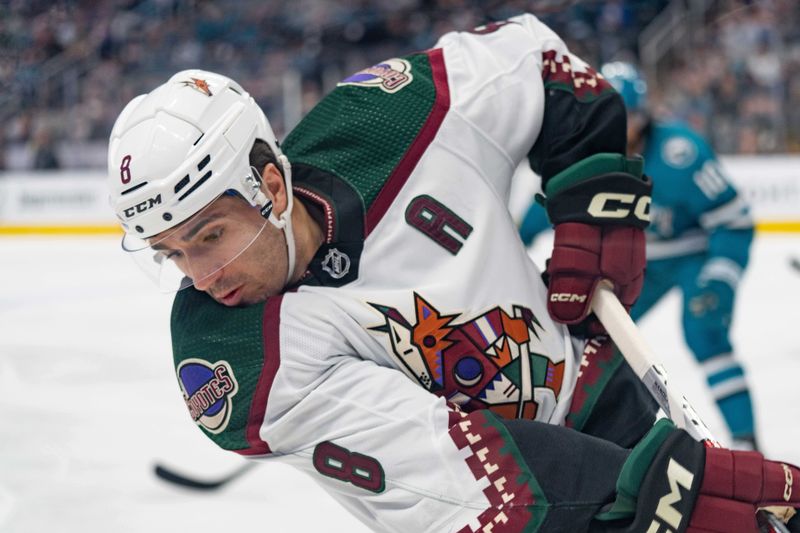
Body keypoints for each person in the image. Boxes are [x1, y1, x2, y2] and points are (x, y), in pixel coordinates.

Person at [107, 15, 798, 533]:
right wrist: (655, 497)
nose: (198, 276)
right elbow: (466, 475)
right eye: (171, 252)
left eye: (208, 236)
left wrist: (594, 203)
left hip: (602, 395)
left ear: (270, 187)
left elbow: (539, 63)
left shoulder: (386, 119)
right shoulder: (234, 357)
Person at [519, 61, 759, 451]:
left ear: (644, 116)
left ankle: (746, 443)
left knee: (705, 331)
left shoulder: (680, 153)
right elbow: (543, 212)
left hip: (691, 256)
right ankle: (604, 447)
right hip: (630, 263)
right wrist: (513, 243)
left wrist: (720, 275)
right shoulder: (583, 156)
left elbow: (734, 222)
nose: (619, 128)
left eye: (627, 117)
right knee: (589, 342)